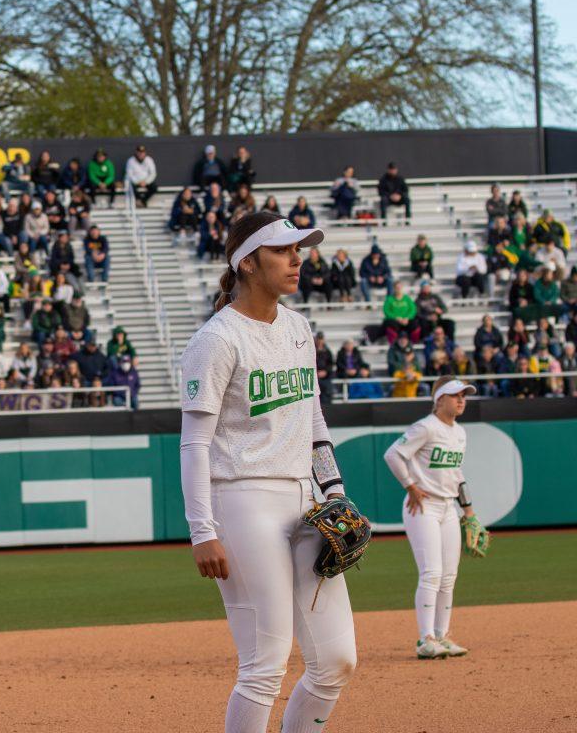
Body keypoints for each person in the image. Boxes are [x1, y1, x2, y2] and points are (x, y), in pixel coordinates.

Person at [179, 210, 361, 733]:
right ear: (248, 263)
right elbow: (194, 443)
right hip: (241, 501)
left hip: (305, 502)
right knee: (265, 664)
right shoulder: (217, 339)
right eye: (282, 250)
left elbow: (314, 420)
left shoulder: (299, 328)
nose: (297, 258)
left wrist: (336, 491)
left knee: (336, 660)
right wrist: (202, 531)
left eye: (298, 248)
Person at [383, 377, 484, 658]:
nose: (461, 399)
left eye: (464, 395)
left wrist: (469, 512)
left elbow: (457, 475)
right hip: (422, 506)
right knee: (432, 572)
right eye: (455, 395)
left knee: (449, 576)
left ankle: (442, 636)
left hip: (448, 507)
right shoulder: (426, 427)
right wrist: (410, 486)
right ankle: (425, 639)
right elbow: (393, 454)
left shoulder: (460, 433)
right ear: (439, 399)